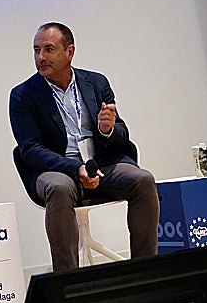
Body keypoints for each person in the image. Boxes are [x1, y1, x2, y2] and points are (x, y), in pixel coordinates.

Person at [9, 22, 159, 272]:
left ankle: (145, 272)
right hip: (56, 167)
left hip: (101, 165)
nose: (40, 57)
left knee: (143, 180)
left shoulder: (96, 83)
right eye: (36, 50)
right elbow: (31, 149)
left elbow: (122, 133)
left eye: (48, 49)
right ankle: (67, 281)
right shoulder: (23, 95)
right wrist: (75, 167)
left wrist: (107, 129)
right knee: (58, 187)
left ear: (70, 52)